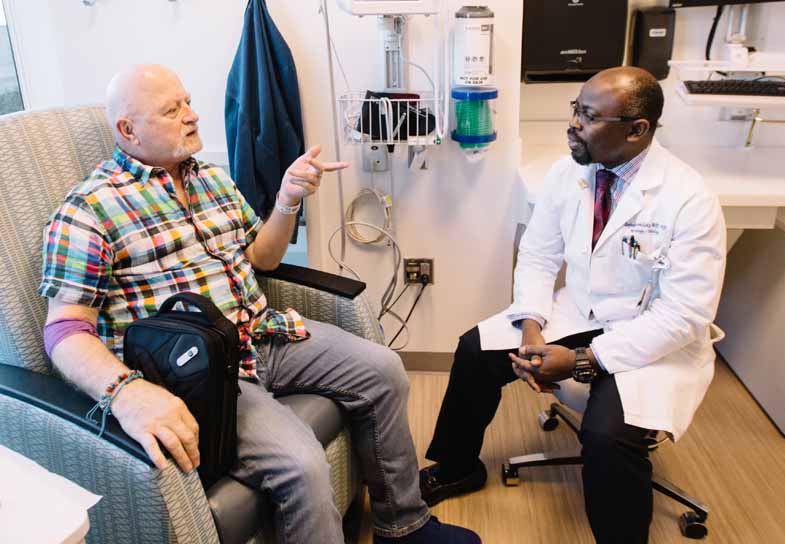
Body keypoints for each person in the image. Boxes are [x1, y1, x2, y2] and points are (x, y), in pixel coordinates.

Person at [39, 64, 480, 544]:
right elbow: (65, 330)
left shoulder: (212, 179)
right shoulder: (88, 211)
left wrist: (288, 198)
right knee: (302, 462)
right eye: (172, 110)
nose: (192, 115)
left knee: (384, 370)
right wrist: (126, 393)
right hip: (204, 374)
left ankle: (404, 526)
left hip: (264, 333)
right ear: (128, 130)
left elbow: (261, 258)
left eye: (188, 102)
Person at [419, 66, 726, 544]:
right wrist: (531, 329)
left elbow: (685, 315)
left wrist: (583, 360)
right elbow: (539, 256)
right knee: (474, 351)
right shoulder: (569, 173)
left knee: (607, 437)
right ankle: (459, 467)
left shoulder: (689, 199)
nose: (574, 124)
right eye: (576, 109)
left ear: (637, 129)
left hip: (650, 336)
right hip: (579, 311)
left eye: (590, 116)